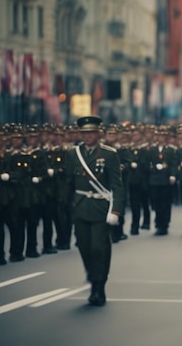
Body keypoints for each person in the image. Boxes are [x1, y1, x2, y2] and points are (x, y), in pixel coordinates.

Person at [66, 116, 125, 306]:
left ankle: (99, 286)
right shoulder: (73, 154)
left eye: (91, 133)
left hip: (101, 208)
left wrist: (115, 211)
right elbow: (68, 183)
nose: (88, 136)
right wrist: (67, 208)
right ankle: (92, 275)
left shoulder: (110, 154)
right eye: (84, 133)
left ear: (98, 134)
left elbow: (117, 185)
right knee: (84, 246)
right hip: (81, 207)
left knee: (99, 248)